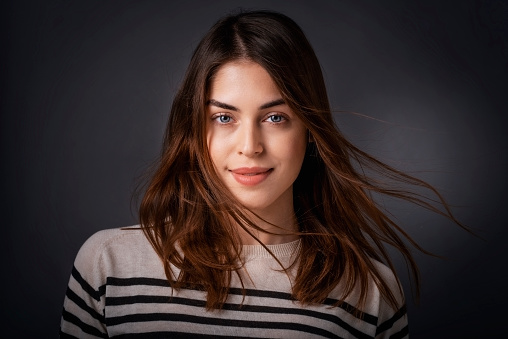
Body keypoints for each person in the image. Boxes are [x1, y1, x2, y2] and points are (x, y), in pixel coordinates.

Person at [60, 10, 462, 338]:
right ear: (194, 131)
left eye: (275, 117)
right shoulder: (108, 266)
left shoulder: (370, 292)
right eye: (223, 117)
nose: (250, 145)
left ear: (309, 132)